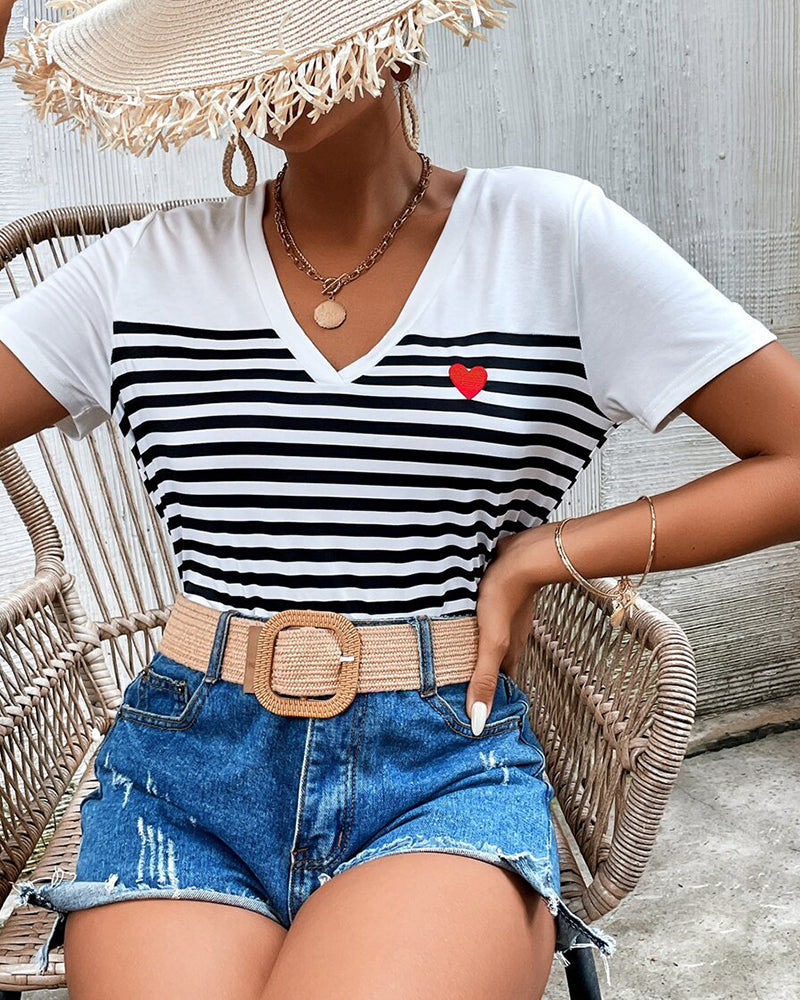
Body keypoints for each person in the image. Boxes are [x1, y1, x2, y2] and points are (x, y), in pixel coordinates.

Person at [1, 2, 798, 998]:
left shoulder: (550, 236)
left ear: (401, 30)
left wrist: (547, 551)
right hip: (187, 770)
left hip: (438, 765)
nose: (282, 55)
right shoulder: (140, 269)